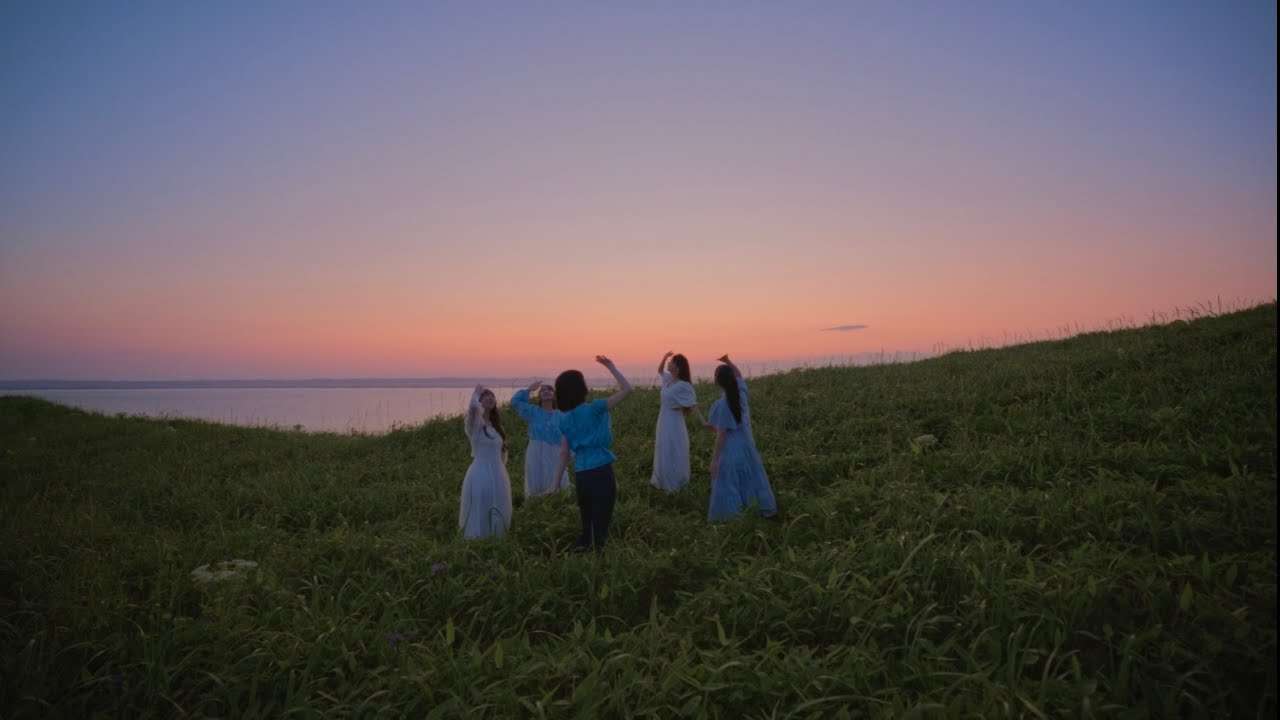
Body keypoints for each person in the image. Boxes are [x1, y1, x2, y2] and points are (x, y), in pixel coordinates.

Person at [548, 355, 633, 551]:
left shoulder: (564, 420)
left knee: (587, 526)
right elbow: (627, 389)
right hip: (601, 472)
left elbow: (563, 454)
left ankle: (580, 556)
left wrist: (553, 486)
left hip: (581, 476)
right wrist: (611, 367)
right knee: (600, 528)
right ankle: (595, 567)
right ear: (581, 388)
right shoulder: (595, 408)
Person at [706, 355, 777, 522]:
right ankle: (756, 509)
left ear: (718, 382)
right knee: (751, 477)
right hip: (746, 445)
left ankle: (732, 518)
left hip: (731, 448)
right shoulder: (740, 395)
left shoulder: (724, 405)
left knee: (728, 483)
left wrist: (715, 460)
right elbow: (739, 376)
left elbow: (721, 435)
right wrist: (728, 362)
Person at [458, 384, 513, 539]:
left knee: (498, 505)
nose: (490, 398)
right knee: (480, 505)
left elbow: (503, 453)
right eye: (485, 396)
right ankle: (477, 540)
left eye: (492, 396)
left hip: (498, 472)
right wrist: (475, 394)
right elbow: (473, 410)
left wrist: (502, 471)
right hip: (480, 472)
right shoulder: (474, 425)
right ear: (479, 401)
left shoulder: (498, 428)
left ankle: (496, 540)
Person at [651, 351, 708, 491]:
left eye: (671, 362)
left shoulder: (684, 385)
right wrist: (664, 357)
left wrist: (704, 422)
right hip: (663, 418)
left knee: (674, 449)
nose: (668, 364)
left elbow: (693, 405)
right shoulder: (668, 379)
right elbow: (659, 370)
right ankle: (663, 480)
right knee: (663, 447)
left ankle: (676, 483)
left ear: (677, 367)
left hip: (674, 420)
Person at [509, 380, 570, 497]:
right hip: (536, 450)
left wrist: (569, 454)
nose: (546, 391)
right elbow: (514, 402)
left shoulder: (562, 416)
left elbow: (569, 437)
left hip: (556, 452)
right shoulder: (533, 411)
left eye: (549, 390)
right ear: (540, 396)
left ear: (554, 396)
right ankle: (535, 503)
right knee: (535, 476)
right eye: (543, 390)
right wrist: (528, 390)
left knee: (557, 477)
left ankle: (557, 504)